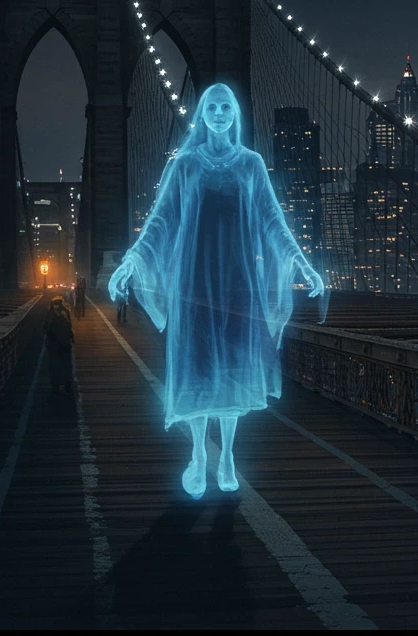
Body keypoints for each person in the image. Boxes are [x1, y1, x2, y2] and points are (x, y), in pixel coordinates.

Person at [109, 83, 325, 499]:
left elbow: (273, 221)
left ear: (235, 115)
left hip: (237, 283)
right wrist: (131, 261)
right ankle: (197, 454)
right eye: (213, 107)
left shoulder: (251, 164)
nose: (221, 113)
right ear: (202, 114)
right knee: (198, 367)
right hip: (192, 283)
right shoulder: (185, 165)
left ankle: (226, 455)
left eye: (228, 107)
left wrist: (302, 264)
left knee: (232, 370)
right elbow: (160, 220)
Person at [43, 295, 75, 394]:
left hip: (54, 344)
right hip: (63, 343)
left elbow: (45, 328)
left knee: (54, 365)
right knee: (66, 364)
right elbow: (69, 327)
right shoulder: (65, 312)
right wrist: (71, 337)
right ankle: (66, 384)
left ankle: (56, 385)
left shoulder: (50, 314)